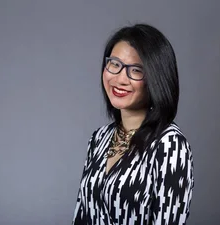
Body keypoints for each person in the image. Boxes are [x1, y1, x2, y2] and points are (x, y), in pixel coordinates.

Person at [72, 23, 194, 225]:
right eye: (114, 64)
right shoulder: (99, 139)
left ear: (156, 78)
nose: (120, 78)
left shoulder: (170, 145)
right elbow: (81, 216)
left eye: (136, 70)